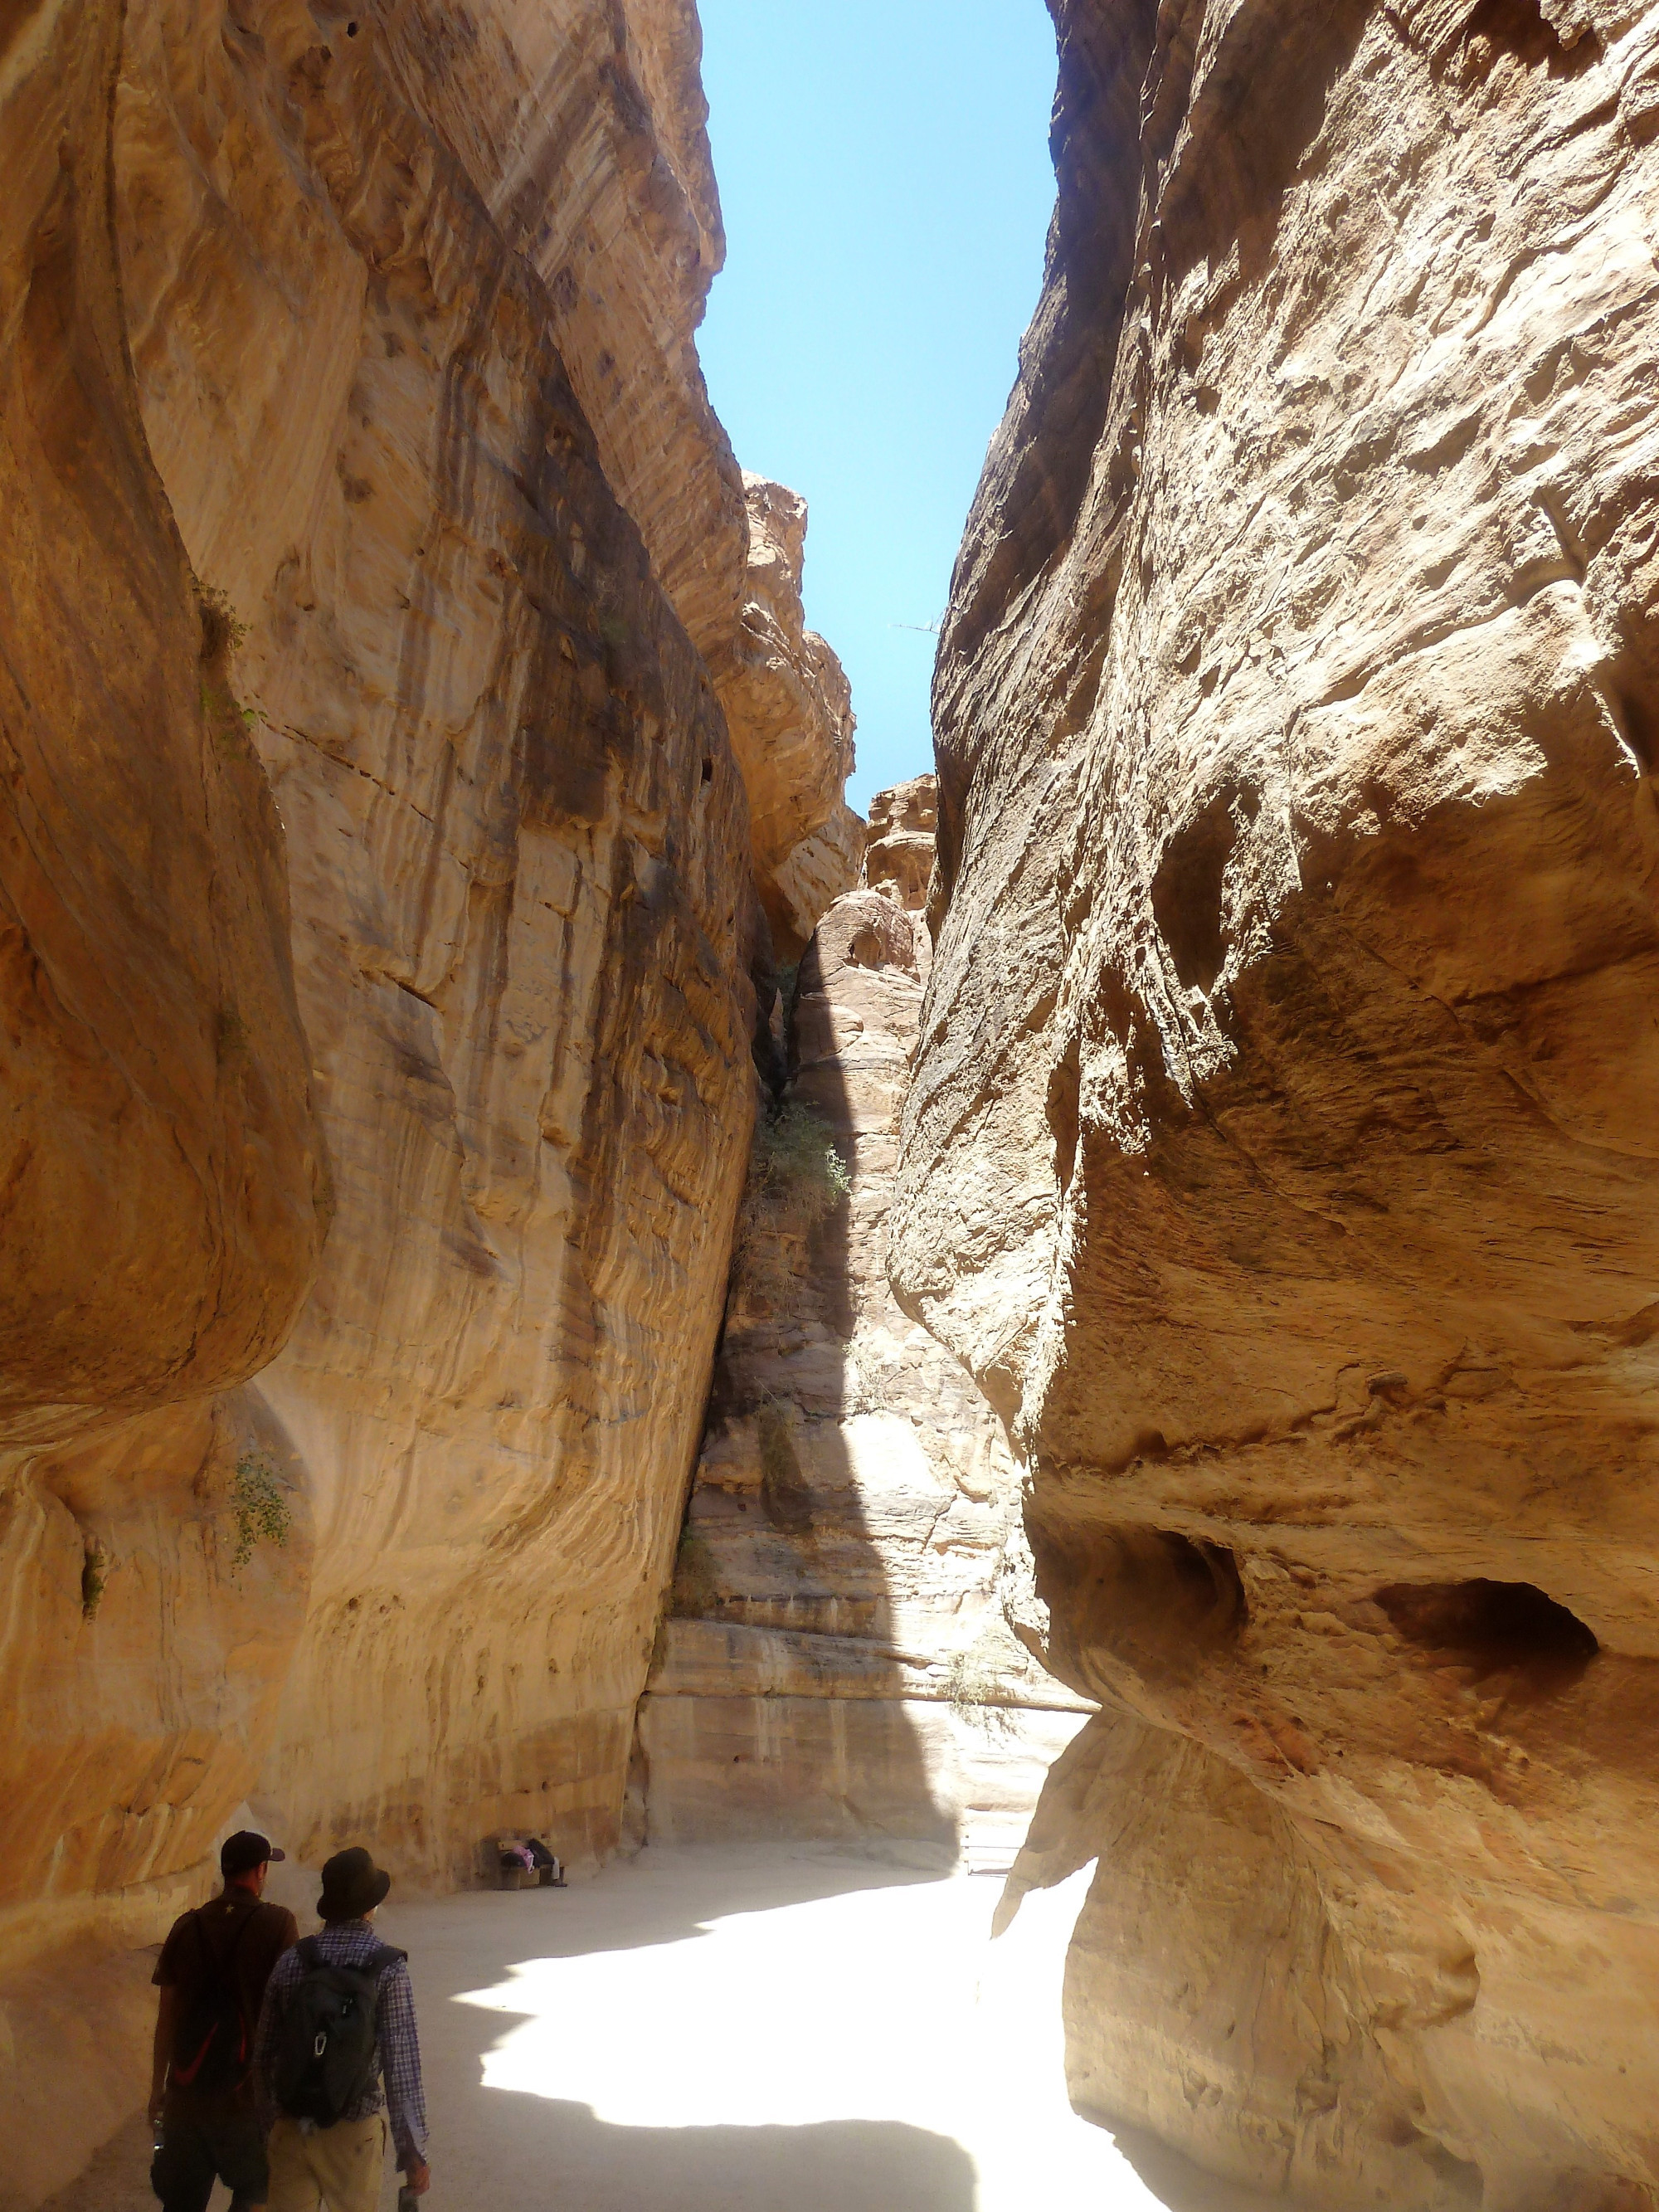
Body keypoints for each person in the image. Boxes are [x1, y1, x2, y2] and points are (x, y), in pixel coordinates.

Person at [255, 1845, 431, 2210]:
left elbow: (264, 2055)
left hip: (292, 2126)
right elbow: (402, 2068)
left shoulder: (293, 1962)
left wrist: (270, 2124)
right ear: (370, 1907)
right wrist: (412, 2153)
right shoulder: (388, 1968)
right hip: (353, 2132)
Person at [149, 1830, 299, 2212]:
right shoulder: (278, 1924)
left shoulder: (186, 1926)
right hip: (244, 2099)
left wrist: (157, 2091)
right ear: (261, 1871)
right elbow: (290, 2014)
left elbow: (166, 2018)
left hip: (186, 2097)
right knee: (254, 2192)